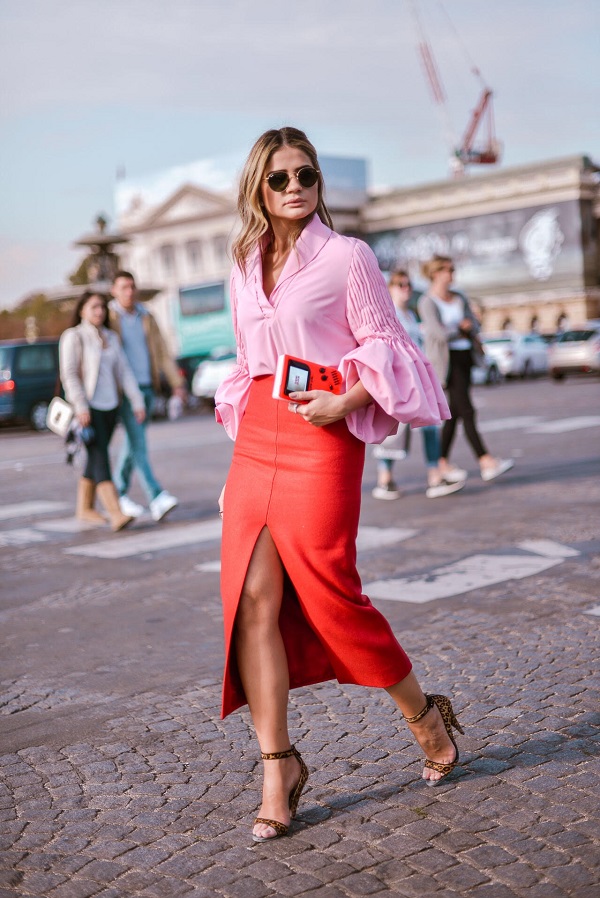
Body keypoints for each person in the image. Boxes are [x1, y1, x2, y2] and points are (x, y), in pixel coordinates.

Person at [214, 127, 466, 844]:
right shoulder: (242, 262)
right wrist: (240, 470)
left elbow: (388, 346)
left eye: (307, 175)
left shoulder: (350, 257)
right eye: (280, 178)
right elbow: (245, 364)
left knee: (332, 593)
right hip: (257, 438)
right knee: (250, 604)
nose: (295, 187)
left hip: (321, 433)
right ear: (258, 188)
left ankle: (425, 715)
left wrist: (347, 402)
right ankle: (278, 768)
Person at [418, 255, 514, 482]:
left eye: (453, 269)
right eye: (448, 270)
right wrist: (460, 329)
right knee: (467, 410)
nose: (452, 274)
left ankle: (440, 462)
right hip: (446, 360)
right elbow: (437, 334)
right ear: (435, 273)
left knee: (454, 413)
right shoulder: (427, 301)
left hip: (464, 356)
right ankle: (485, 460)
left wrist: (465, 328)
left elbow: (474, 323)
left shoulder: (459, 296)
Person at [372, 269, 465, 500]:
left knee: (430, 424)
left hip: (417, 379)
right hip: (397, 380)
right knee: (393, 431)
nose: (406, 289)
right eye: (400, 284)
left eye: (408, 285)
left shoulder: (412, 316)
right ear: (390, 288)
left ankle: (434, 476)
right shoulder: (387, 313)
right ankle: (385, 479)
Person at [59, 291, 146, 531]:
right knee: (100, 458)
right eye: (94, 307)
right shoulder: (74, 336)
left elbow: (125, 372)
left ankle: (84, 508)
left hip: (110, 407)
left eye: (102, 307)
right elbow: (69, 374)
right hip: (89, 408)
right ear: (82, 310)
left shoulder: (111, 337)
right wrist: (80, 405)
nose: (100, 311)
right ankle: (115, 512)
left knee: (97, 455)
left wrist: (137, 402)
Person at [109, 271, 187, 522]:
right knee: (138, 444)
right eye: (123, 287)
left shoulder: (146, 316)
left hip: (148, 387)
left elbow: (162, 351)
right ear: (114, 291)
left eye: (132, 286)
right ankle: (155, 496)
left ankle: (118, 493)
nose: (129, 292)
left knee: (134, 443)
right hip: (126, 392)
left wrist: (176, 383)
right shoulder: (109, 319)